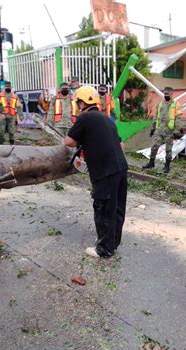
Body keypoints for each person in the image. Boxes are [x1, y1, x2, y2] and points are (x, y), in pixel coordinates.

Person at [64, 86, 128, 258]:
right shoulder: (107, 119)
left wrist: (82, 141)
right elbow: (122, 145)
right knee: (116, 208)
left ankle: (104, 249)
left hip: (105, 171)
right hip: (121, 168)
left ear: (83, 102)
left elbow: (68, 141)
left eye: (78, 102)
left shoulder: (85, 117)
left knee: (104, 208)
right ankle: (113, 243)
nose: (77, 106)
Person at [142, 87, 182, 174]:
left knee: (168, 149)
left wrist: (177, 130)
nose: (166, 95)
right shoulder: (160, 104)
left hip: (169, 131)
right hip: (159, 130)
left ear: (171, 94)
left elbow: (178, 119)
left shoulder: (176, 105)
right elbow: (156, 117)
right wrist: (152, 128)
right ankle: (151, 163)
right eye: (165, 94)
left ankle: (167, 166)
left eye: (167, 94)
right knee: (154, 147)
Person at [0, 81, 23, 145]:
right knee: (2, 131)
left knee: (11, 131)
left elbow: (18, 106)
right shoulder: (1, 95)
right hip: (3, 116)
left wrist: (21, 116)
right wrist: (0, 114)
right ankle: (2, 144)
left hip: (11, 116)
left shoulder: (15, 96)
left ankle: (11, 144)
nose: (8, 87)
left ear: (11, 87)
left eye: (9, 86)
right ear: (4, 87)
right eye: (6, 86)